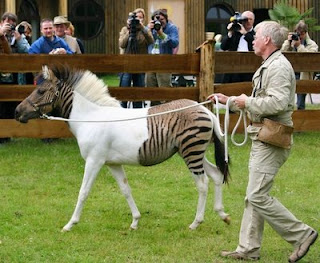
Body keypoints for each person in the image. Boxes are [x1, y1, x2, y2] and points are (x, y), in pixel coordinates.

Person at [209, 21, 318, 262]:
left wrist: (245, 101)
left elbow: (278, 103)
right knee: (253, 194)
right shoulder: (269, 65)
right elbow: (261, 103)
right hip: (263, 135)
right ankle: (248, 248)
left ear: (267, 40)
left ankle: (302, 234)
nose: (253, 39)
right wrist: (228, 101)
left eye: (256, 35)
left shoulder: (278, 67)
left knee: (257, 195)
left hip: (271, 138)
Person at [0, 12, 30, 144]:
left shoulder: (16, 36)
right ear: (2, 22)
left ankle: (6, 135)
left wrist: (19, 38)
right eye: (8, 24)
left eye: (12, 25)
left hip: (12, 76)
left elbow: (28, 52)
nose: (10, 27)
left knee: (9, 105)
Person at [119, 8, 153, 108]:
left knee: (138, 92)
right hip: (127, 64)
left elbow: (151, 41)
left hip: (140, 65)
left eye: (140, 18)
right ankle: (123, 111)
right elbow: (122, 44)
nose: (137, 19)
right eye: (136, 17)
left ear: (143, 19)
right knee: (124, 90)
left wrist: (142, 27)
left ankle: (137, 111)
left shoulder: (145, 31)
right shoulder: (125, 30)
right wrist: (129, 31)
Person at [281, 20, 318, 110]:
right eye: (298, 33)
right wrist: (288, 42)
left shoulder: (312, 44)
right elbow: (281, 53)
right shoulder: (291, 42)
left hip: (302, 75)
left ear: (306, 33)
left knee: (300, 102)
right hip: (289, 73)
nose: (300, 36)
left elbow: (308, 58)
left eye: (301, 34)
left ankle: (301, 118)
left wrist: (299, 46)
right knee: (286, 100)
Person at [145, 9, 179, 106]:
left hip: (164, 62)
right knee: (151, 89)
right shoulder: (150, 28)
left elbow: (174, 43)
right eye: (157, 20)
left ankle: (167, 113)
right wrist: (147, 29)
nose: (160, 22)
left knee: (164, 90)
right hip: (151, 61)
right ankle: (155, 114)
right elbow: (143, 41)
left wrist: (161, 33)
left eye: (162, 19)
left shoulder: (172, 28)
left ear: (166, 19)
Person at [220, 11, 255, 83]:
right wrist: (230, 33)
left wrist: (245, 33)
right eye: (245, 19)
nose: (248, 21)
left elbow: (254, 45)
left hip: (249, 67)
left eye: (250, 19)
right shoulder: (235, 34)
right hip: (233, 67)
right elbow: (223, 47)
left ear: (253, 21)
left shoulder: (256, 34)